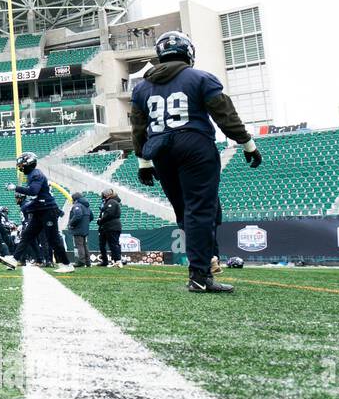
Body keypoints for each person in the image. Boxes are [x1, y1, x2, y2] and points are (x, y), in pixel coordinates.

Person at [129, 30, 262, 293]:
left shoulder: (141, 87)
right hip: (194, 145)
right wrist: (247, 143)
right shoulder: (200, 77)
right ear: (188, 52)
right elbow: (225, 115)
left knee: (190, 211)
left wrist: (143, 161)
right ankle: (200, 275)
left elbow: (137, 127)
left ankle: (207, 259)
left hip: (160, 149)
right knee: (200, 209)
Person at [6, 153, 74, 273]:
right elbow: (37, 196)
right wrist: (28, 207)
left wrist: (16, 188)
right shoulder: (33, 174)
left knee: (53, 239)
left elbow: (33, 191)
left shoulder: (36, 174)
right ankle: (14, 259)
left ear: (28, 164)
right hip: (40, 209)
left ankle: (66, 264)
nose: (20, 168)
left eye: (22, 165)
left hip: (47, 210)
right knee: (26, 235)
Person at [97, 188, 123, 267]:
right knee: (102, 244)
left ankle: (117, 261)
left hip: (112, 226)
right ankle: (105, 261)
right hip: (106, 227)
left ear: (107, 195)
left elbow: (109, 214)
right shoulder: (107, 202)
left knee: (113, 244)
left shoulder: (112, 202)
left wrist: (100, 220)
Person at [67, 191, 92, 267]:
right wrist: (85, 223)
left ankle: (81, 262)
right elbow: (91, 217)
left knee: (80, 245)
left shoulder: (77, 205)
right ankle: (88, 262)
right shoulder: (86, 206)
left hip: (78, 229)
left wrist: (71, 223)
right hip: (85, 228)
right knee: (84, 245)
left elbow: (78, 215)